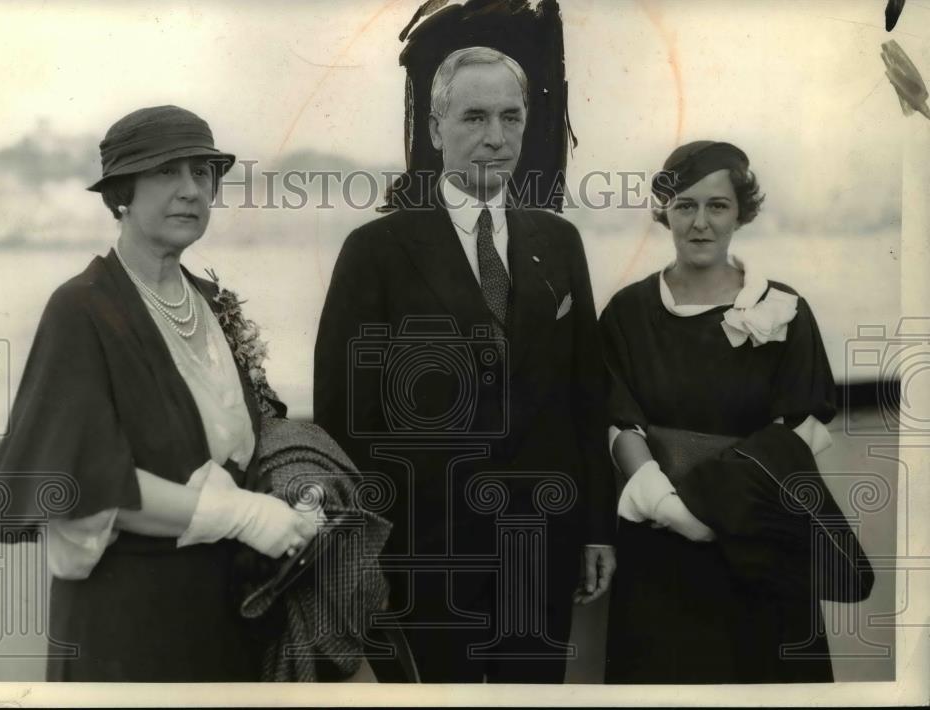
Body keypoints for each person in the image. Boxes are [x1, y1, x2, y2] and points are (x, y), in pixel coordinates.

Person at [0, 105, 320, 681]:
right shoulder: (83, 308)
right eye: (166, 173)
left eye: (202, 173)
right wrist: (243, 514)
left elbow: (248, 436)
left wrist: (293, 488)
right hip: (128, 628)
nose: (190, 190)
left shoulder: (210, 302)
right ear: (121, 193)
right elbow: (80, 481)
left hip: (226, 619)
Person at [313, 46, 617, 683]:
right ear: (434, 129)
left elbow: (586, 397)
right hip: (424, 555)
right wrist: (365, 555)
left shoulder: (558, 242)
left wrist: (596, 530)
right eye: (474, 118)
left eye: (511, 118)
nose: (496, 139)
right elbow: (346, 418)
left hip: (542, 541)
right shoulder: (376, 249)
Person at [601, 140, 845, 683]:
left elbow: (802, 427)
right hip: (661, 539)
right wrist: (669, 508)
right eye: (684, 205)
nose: (700, 223)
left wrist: (730, 506)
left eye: (717, 206)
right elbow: (620, 422)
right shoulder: (629, 311)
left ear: (741, 212)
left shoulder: (783, 308)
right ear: (664, 211)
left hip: (759, 537)